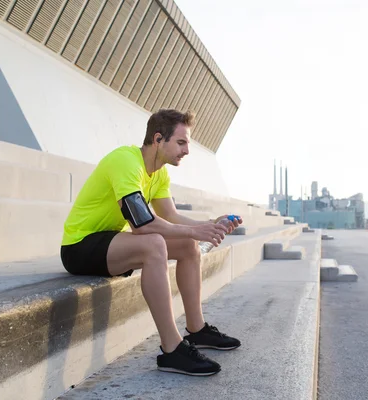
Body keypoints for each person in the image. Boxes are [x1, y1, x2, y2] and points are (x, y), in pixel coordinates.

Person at [60, 109, 243, 376]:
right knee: (155, 243)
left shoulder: (158, 173)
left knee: (187, 246)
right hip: (80, 247)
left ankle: (197, 329)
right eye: (181, 143)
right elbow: (142, 223)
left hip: (111, 243)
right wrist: (195, 231)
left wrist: (210, 225)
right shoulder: (125, 161)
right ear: (158, 139)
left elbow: (170, 216)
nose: (187, 151)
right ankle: (172, 350)